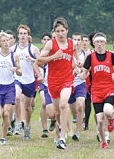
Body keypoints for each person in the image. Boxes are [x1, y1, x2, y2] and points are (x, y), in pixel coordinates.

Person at [34, 17, 80, 150]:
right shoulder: (51, 44)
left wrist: (77, 62)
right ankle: (58, 131)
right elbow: (39, 60)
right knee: (57, 112)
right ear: (54, 31)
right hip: (53, 82)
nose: (60, 33)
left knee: (64, 104)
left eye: (62, 31)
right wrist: (53, 57)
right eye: (58, 31)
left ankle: (63, 138)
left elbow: (75, 52)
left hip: (67, 80)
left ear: (67, 30)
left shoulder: (72, 43)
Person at [81, 32, 114, 149]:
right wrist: (83, 74)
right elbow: (85, 70)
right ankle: (103, 141)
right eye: (97, 42)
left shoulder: (111, 55)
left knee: (108, 111)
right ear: (94, 43)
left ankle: (111, 118)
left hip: (108, 88)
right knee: (99, 120)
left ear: (105, 43)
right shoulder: (90, 57)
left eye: (101, 42)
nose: (99, 44)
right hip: (96, 90)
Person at [12, 24, 40, 140]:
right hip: (17, 78)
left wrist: (33, 59)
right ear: (18, 35)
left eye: (25, 34)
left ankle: (27, 127)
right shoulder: (13, 49)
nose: (23, 36)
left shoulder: (33, 49)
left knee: (28, 107)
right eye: (21, 34)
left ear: (28, 35)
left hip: (29, 80)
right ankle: (19, 122)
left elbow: (42, 62)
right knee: (17, 98)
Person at [67, 32, 86, 141]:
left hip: (80, 84)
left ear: (82, 41)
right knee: (73, 111)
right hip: (69, 84)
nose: (77, 42)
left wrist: (84, 72)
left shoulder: (85, 54)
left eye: (79, 40)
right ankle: (75, 120)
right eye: (75, 40)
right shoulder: (68, 53)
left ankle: (77, 132)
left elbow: (88, 69)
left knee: (80, 106)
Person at [38, 32, 54, 138]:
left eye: (48, 39)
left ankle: (53, 120)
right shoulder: (38, 52)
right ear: (41, 41)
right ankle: (44, 128)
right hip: (41, 82)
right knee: (43, 102)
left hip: (52, 81)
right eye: (44, 39)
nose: (46, 41)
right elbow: (36, 63)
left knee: (54, 106)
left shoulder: (53, 52)